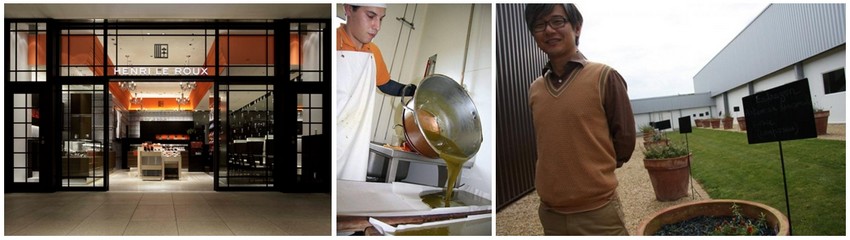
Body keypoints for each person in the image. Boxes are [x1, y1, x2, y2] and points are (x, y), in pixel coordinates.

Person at [524, 3, 636, 235]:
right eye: (539, 25)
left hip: (598, 214)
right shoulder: (535, 89)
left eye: (557, 21)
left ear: (577, 28)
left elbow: (624, 142)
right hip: (550, 216)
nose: (549, 30)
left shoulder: (604, 76)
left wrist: (592, 170)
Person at [337, 3, 416, 181]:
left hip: (355, 139)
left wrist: (416, 90)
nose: (377, 26)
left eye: (381, 19)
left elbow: (385, 84)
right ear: (348, 9)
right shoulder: (331, 41)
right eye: (371, 16)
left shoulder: (373, 52)